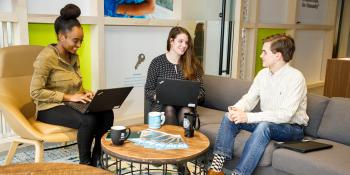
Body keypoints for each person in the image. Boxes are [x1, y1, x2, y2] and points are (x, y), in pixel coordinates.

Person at [208, 34, 309, 175]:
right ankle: (216, 169)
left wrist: (248, 117)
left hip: (291, 128)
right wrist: (237, 109)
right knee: (228, 117)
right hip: (268, 123)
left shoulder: (296, 78)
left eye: (264, 52)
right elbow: (249, 98)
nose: (261, 56)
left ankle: (239, 173)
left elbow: (285, 115)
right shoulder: (263, 74)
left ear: (278, 55)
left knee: (264, 126)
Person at [30, 4, 113, 167]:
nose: (79, 45)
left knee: (106, 112)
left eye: (81, 41)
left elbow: (74, 86)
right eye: (76, 40)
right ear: (61, 37)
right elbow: (35, 92)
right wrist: (69, 97)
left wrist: (86, 93)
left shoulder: (73, 56)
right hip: (49, 108)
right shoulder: (46, 57)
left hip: (70, 104)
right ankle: (85, 164)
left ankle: (98, 157)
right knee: (88, 120)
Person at [145, 26, 205, 126]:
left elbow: (201, 91)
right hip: (162, 106)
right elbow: (148, 90)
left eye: (186, 42)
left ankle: (183, 140)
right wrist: (161, 97)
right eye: (180, 41)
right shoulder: (157, 62)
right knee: (169, 109)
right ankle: (173, 141)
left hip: (186, 106)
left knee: (185, 111)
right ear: (171, 41)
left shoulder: (192, 64)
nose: (184, 45)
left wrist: (191, 97)